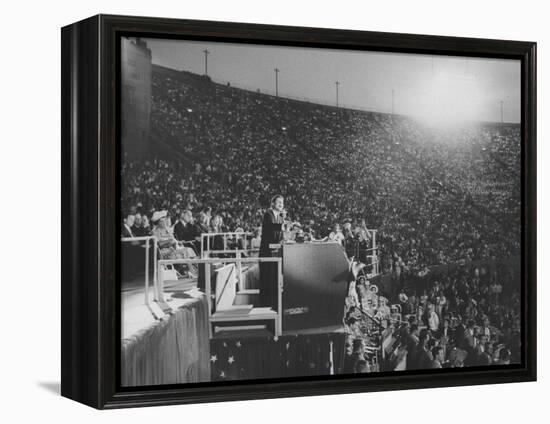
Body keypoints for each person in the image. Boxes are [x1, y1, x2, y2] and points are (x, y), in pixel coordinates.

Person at [259, 195, 286, 308]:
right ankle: (264, 304)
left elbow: (279, 235)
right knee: (266, 279)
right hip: (267, 251)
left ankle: (273, 303)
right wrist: (282, 226)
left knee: (273, 279)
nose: (281, 205)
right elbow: (269, 228)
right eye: (279, 202)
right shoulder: (268, 214)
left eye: (282, 203)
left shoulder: (280, 217)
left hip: (275, 251)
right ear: (273, 203)